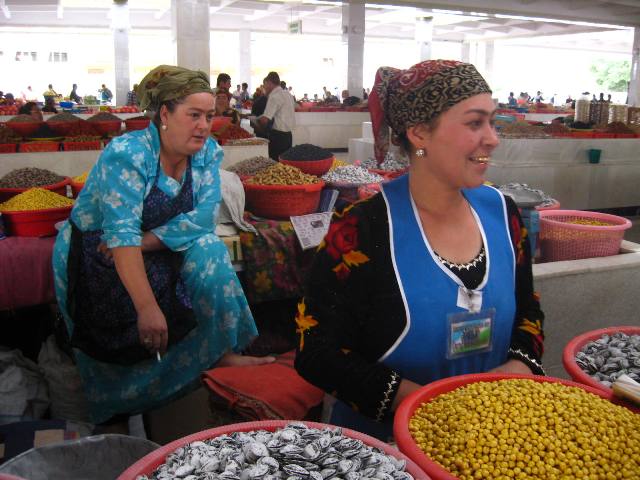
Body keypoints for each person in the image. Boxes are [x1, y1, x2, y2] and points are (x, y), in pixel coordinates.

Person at [294, 60, 545, 440]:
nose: (492, 138)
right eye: (475, 123)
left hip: (493, 437)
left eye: (493, 122)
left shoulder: (503, 214)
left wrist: (519, 367)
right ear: (419, 133)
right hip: (387, 446)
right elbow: (315, 350)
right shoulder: (363, 228)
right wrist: (422, 402)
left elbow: (528, 309)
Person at [52, 64, 273, 428]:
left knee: (210, 250)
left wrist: (147, 242)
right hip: (100, 253)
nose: (203, 126)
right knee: (124, 328)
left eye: (209, 116)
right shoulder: (128, 154)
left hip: (153, 243)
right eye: (194, 115)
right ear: (165, 115)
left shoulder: (206, 154)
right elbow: (119, 236)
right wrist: (147, 306)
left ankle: (220, 352)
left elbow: (202, 219)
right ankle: (121, 400)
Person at [257, 71, 295, 160]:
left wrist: (255, 121)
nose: (264, 88)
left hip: (278, 137)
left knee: (275, 164)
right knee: (285, 163)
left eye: (265, 84)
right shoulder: (288, 94)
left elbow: (265, 119)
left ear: (269, 83)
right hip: (289, 136)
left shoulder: (274, 96)